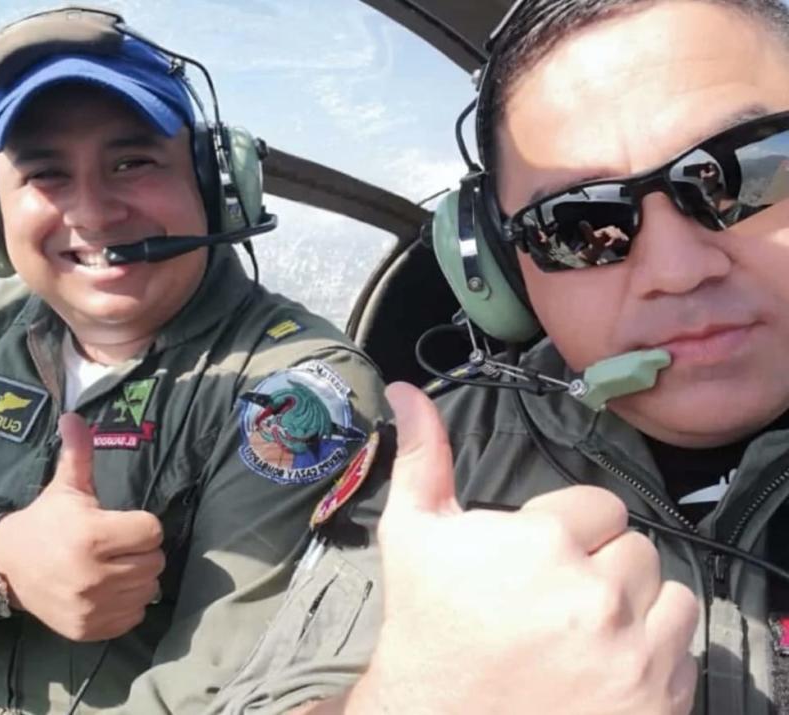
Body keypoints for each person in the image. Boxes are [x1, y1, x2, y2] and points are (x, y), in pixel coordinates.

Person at [207, 0, 789, 713]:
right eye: (580, 225)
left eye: (743, 172)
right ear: (503, 271)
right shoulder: (444, 466)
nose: (676, 267)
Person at [0, 7, 388, 714]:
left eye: (132, 162)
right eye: (46, 174)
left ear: (214, 184)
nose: (91, 213)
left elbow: (232, 693)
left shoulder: (300, 389)